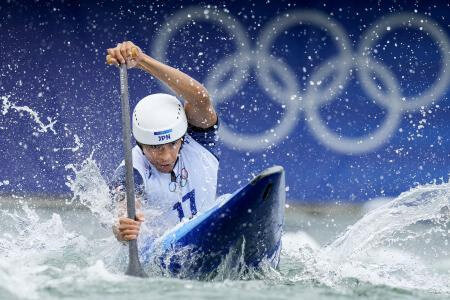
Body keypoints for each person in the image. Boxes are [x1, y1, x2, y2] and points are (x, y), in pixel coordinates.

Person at [106, 41, 220, 243]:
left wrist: (142, 61)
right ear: (141, 144)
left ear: (183, 136)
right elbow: (123, 212)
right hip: (163, 257)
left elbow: (200, 98)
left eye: (173, 144)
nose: (166, 156)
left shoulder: (198, 141)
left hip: (209, 238)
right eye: (156, 147)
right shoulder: (131, 171)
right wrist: (124, 228)